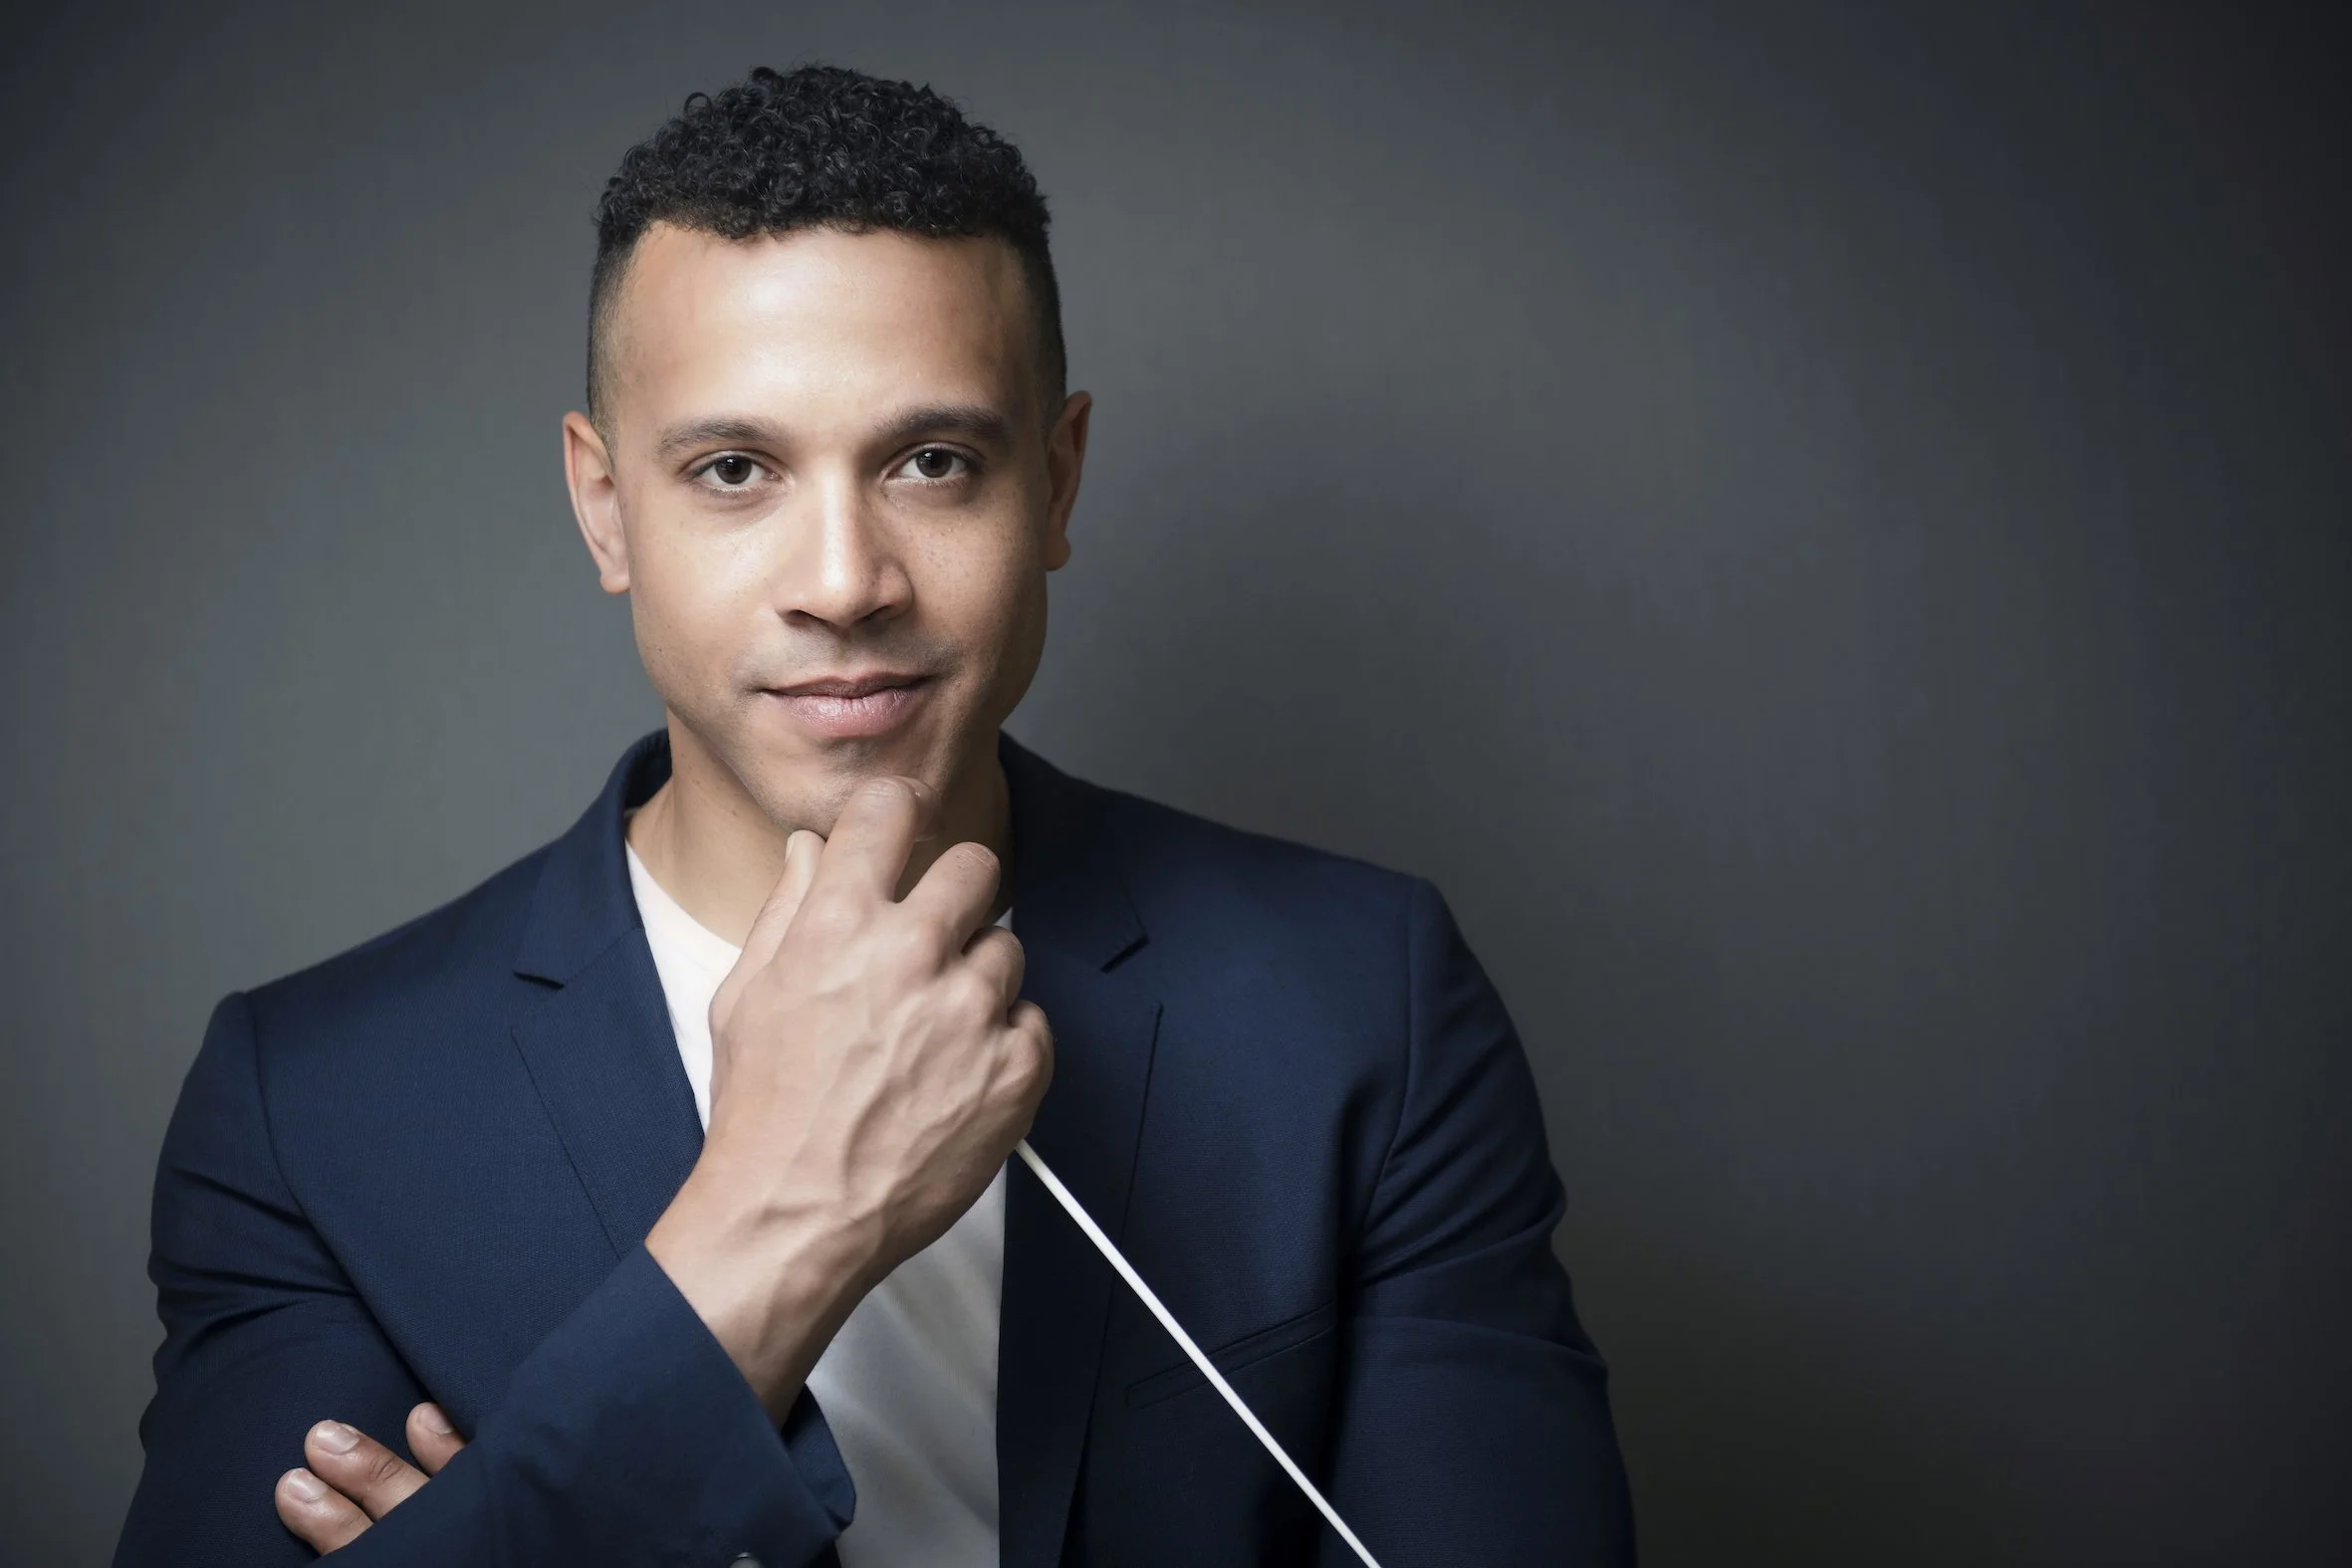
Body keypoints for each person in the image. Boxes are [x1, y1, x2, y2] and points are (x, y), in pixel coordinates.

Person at [111, 62, 1636, 1568]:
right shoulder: (311, 1103)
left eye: (932, 462)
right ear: (604, 505)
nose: (844, 582)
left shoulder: (1364, 999)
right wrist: (781, 1222)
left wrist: (505, 1524)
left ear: (1055, 482)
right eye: (734, 469)